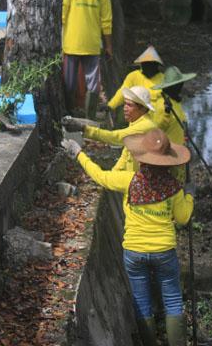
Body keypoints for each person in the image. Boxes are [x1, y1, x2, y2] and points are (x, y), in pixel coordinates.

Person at [61, 129, 193, 346]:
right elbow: (183, 217)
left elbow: (101, 176)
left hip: (134, 252)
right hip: (164, 252)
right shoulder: (173, 188)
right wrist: (190, 195)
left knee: (142, 303)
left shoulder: (130, 181)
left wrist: (79, 154)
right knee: (172, 301)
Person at [62, 0, 113, 120]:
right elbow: (106, 22)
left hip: (72, 43)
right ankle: (90, 118)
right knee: (93, 83)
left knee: (69, 82)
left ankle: (68, 113)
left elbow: (63, 14)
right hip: (92, 44)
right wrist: (109, 46)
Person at [62, 86, 156, 173]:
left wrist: (84, 128)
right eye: (125, 104)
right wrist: (114, 173)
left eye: (129, 105)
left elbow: (115, 137)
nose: (124, 108)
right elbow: (126, 154)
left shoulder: (145, 126)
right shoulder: (136, 121)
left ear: (142, 109)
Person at [107, 45, 165, 124]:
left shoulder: (163, 79)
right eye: (145, 64)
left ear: (157, 65)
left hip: (157, 122)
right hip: (137, 121)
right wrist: (110, 106)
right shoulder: (134, 76)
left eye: (151, 64)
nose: (148, 67)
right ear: (141, 64)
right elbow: (123, 92)